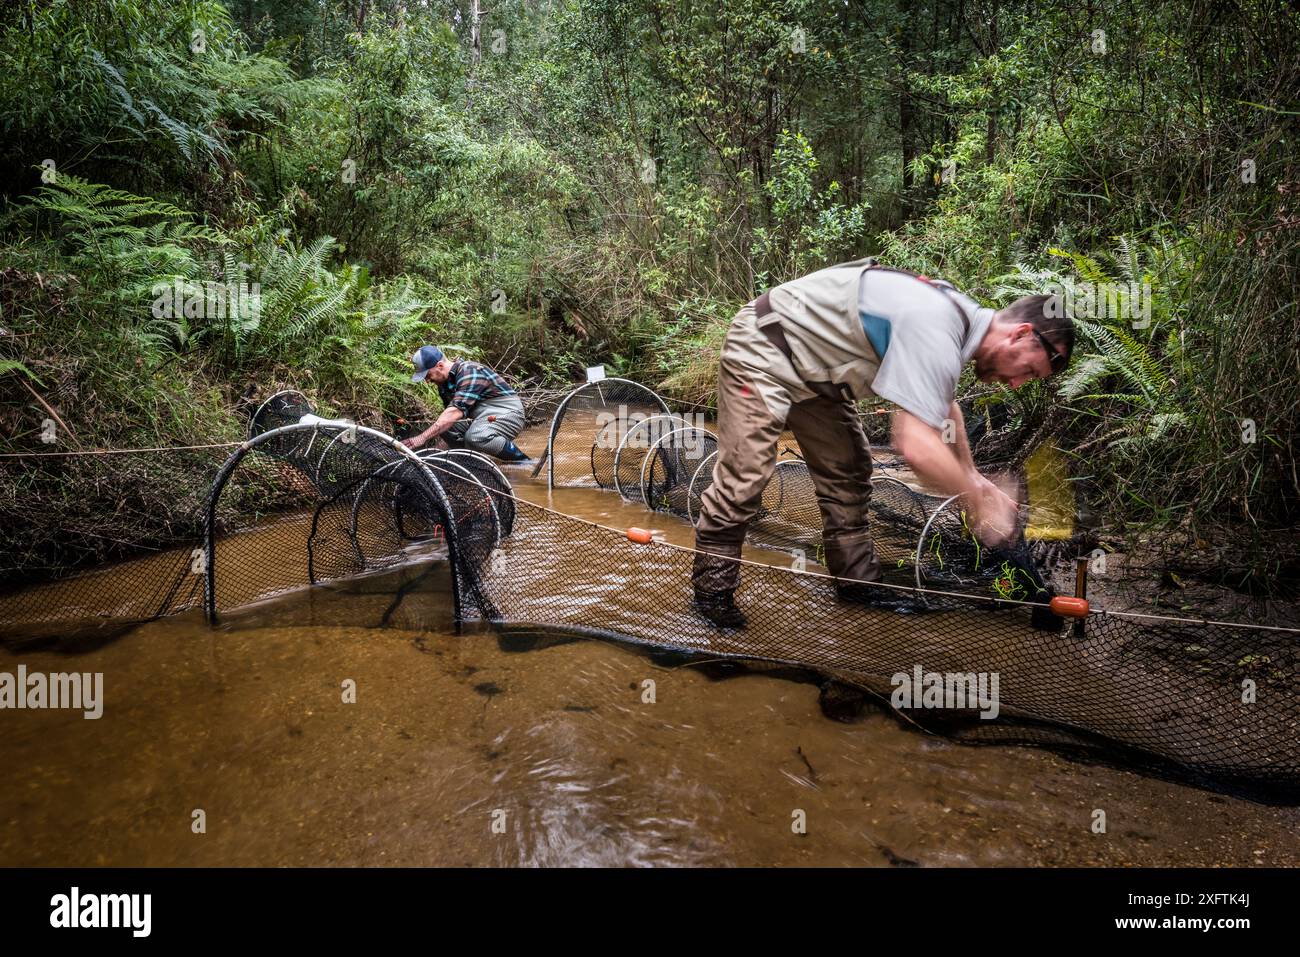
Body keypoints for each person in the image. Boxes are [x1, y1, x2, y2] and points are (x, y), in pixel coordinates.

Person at [691, 258, 1074, 628]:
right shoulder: (937, 325)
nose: (1016, 383)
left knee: (850, 472)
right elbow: (916, 445)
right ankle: (712, 597)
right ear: (1020, 333)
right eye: (1027, 370)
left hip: (815, 376)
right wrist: (979, 503)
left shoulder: (959, 321)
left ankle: (858, 584)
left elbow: (944, 406)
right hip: (762, 348)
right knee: (745, 476)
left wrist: (974, 477)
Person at [402, 345, 532, 463]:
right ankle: (469, 461)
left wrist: (422, 438)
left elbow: (454, 412)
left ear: (440, 366)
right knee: (446, 428)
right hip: (482, 416)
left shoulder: (469, 371)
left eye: (427, 375)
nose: (427, 381)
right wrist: (437, 454)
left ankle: (523, 461)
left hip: (509, 412)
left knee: (475, 437)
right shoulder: (444, 385)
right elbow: (449, 422)